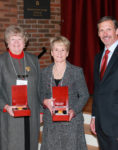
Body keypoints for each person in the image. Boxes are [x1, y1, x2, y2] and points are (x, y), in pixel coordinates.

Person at [0, 25, 40, 150]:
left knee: (30, 145)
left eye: (20, 39)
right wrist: (6, 107)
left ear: (25, 42)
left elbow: (39, 88)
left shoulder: (33, 60)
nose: (16, 42)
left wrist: (40, 110)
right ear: (7, 42)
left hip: (31, 115)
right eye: (13, 39)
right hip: (10, 116)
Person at [40, 36, 89, 150]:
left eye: (63, 50)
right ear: (51, 52)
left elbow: (84, 95)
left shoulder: (76, 71)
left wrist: (74, 110)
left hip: (71, 121)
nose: (59, 53)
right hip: (51, 121)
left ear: (67, 53)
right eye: (56, 50)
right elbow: (41, 94)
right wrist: (44, 101)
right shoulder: (44, 72)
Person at [90, 16, 118, 150]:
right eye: (101, 30)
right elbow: (98, 90)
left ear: (117, 31)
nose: (105, 34)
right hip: (101, 123)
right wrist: (94, 116)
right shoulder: (98, 57)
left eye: (109, 29)